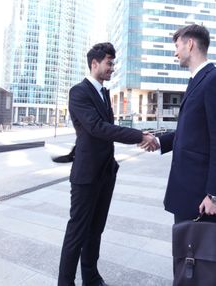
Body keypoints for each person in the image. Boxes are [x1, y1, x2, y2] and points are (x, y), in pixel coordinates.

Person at [58, 42, 155, 286]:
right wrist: (139, 136)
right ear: (95, 63)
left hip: (105, 173)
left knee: (95, 230)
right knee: (77, 233)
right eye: (109, 63)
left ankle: (91, 277)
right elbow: (96, 128)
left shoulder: (103, 93)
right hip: (86, 174)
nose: (112, 68)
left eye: (113, 63)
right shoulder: (79, 92)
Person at [141, 24, 216, 224]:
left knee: (197, 253)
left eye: (177, 46)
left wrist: (215, 195)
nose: (175, 53)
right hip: (187, 190)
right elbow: (192, 131)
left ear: (190, 44)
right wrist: (159, 141)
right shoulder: (196, 81)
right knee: (184, 253)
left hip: (202, 196)